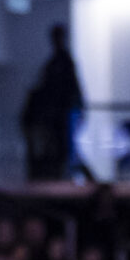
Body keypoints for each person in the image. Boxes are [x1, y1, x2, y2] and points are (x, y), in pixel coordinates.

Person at [19, 23, 83, 182]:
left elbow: (73, 90)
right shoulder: (53, 63)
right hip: (54, 118)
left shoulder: (65, 62)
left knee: (64, 153)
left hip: (61, 117)